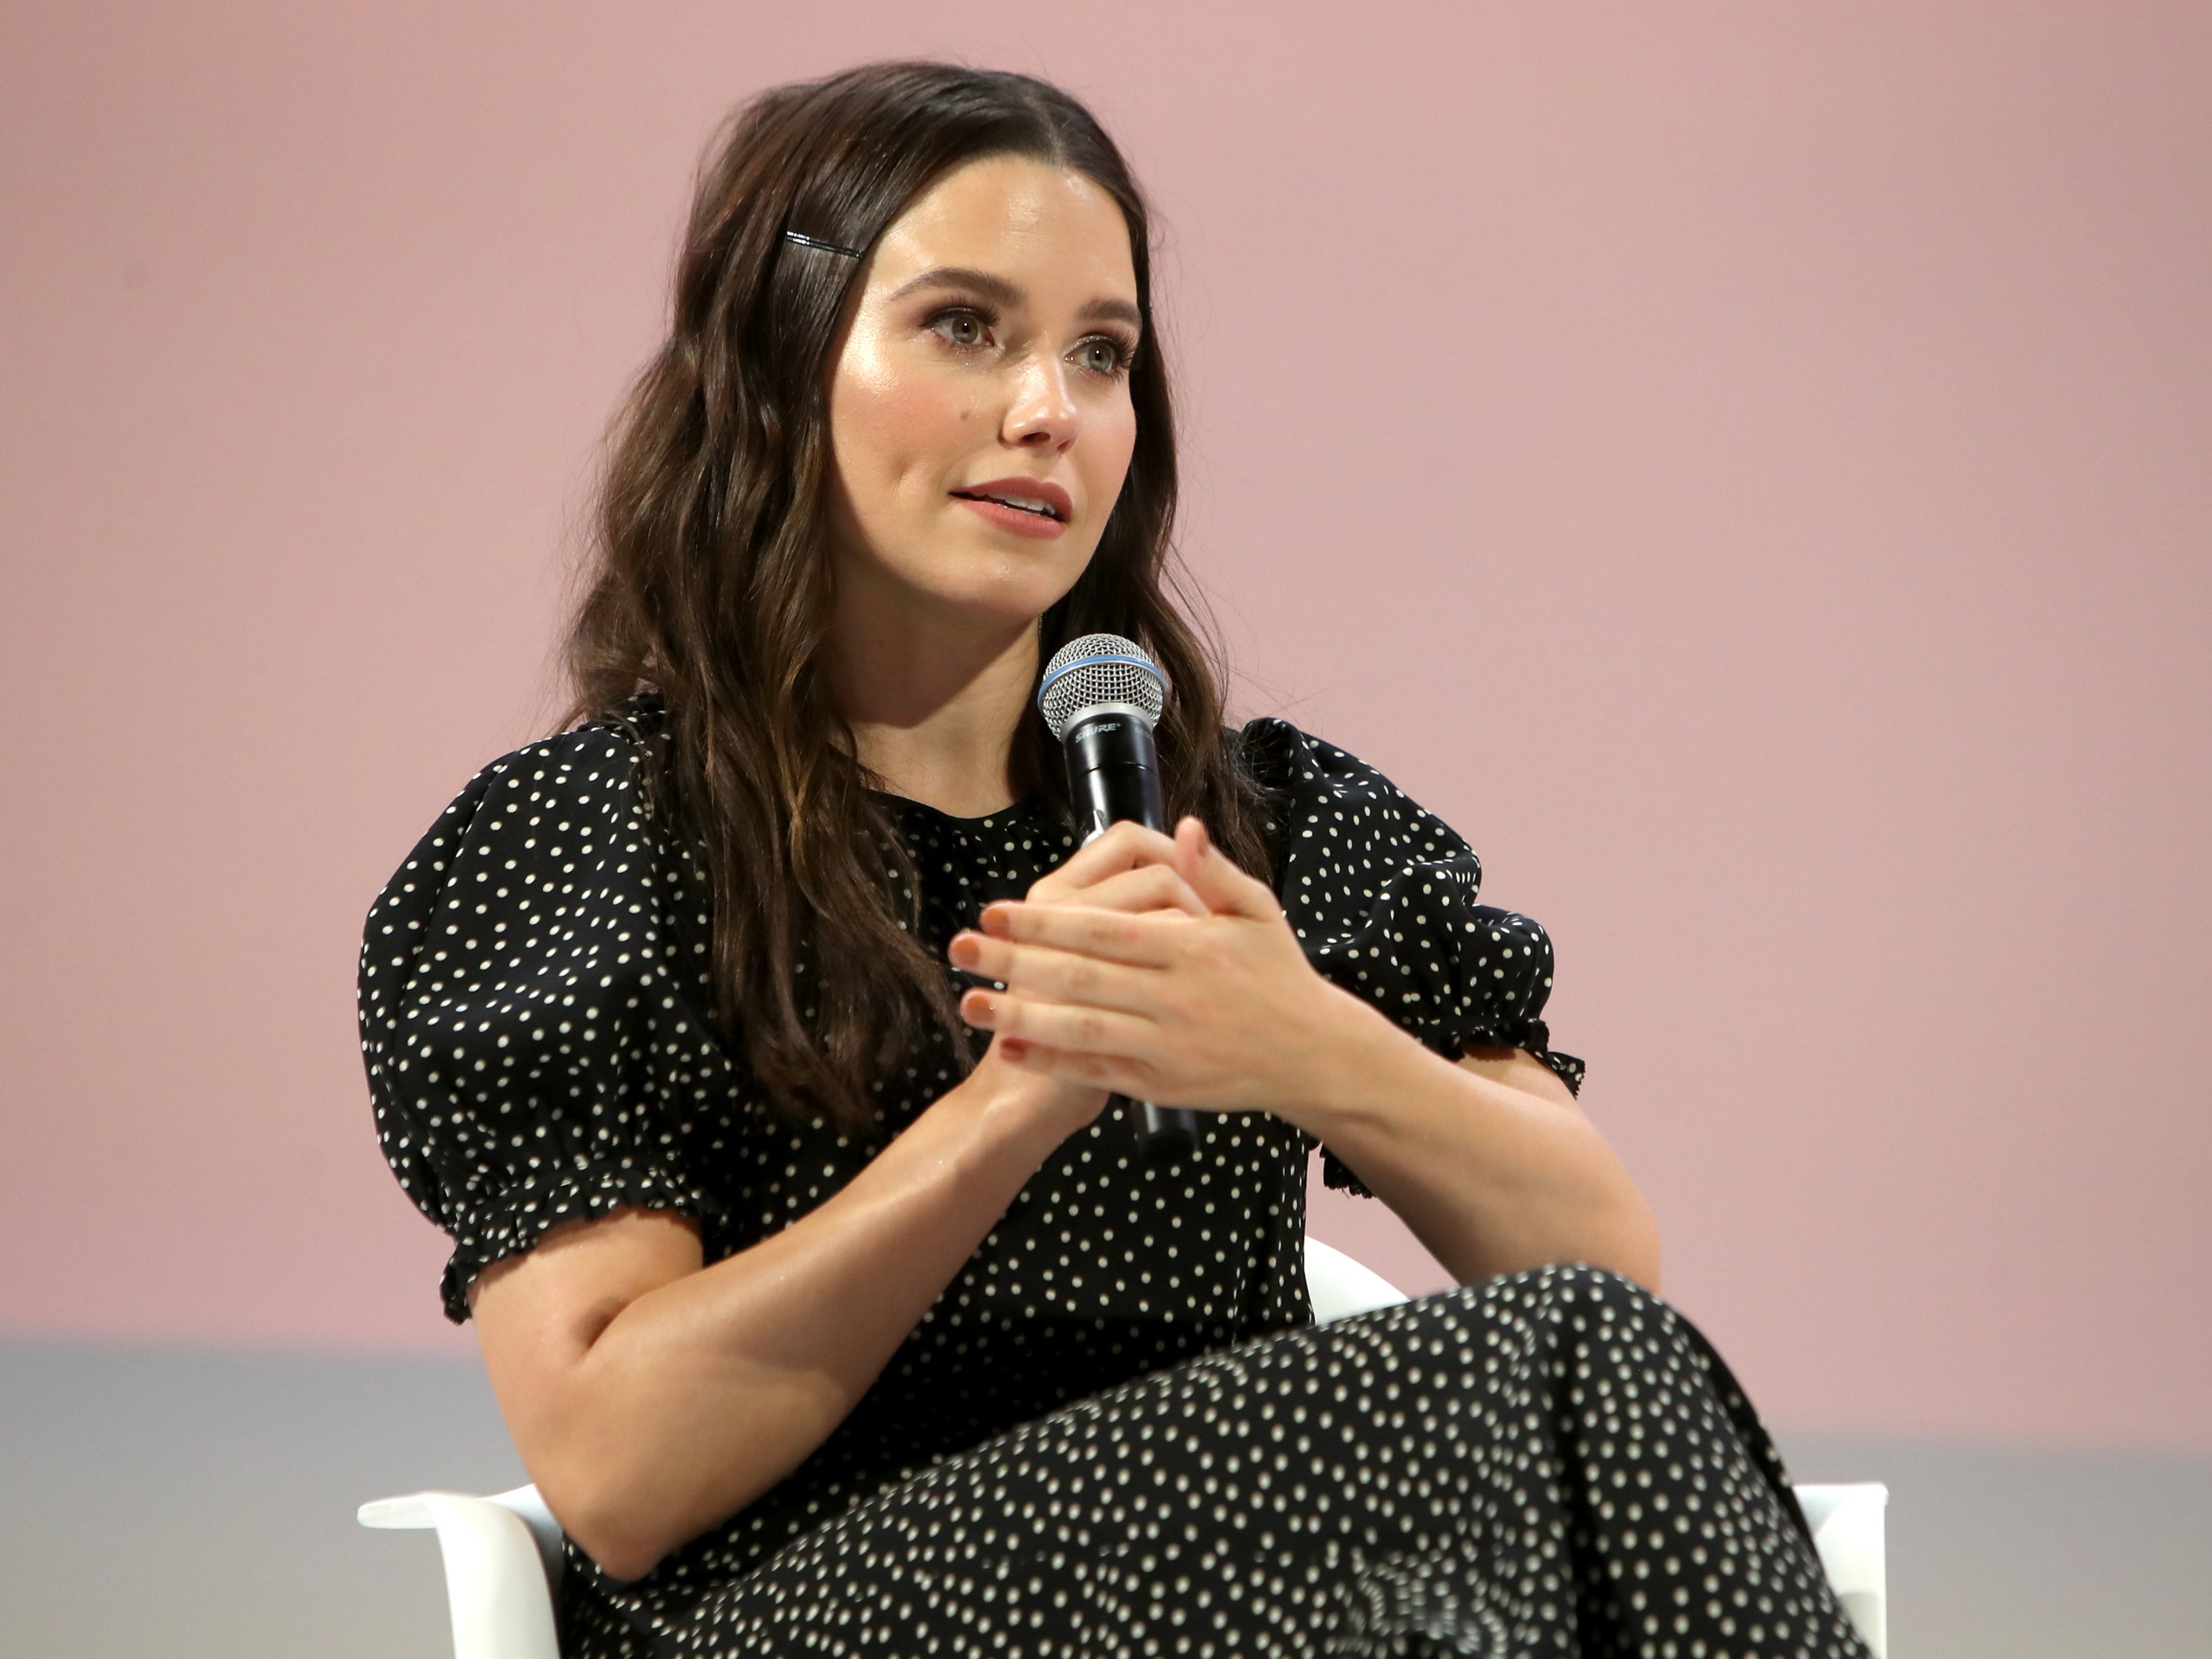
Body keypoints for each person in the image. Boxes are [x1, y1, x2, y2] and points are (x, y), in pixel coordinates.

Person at [360, 61, 1869, 1659]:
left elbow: (1600, 1258)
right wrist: (1019, 1097)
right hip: (805, 1605)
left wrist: (1306, 1043)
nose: (1047, 409)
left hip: (1255, 1606)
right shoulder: (597, 840)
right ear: (785, 361)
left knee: (1565, 1400)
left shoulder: (1252, 827)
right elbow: (614, 1468)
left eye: (1102, 353)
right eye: (966, 327)